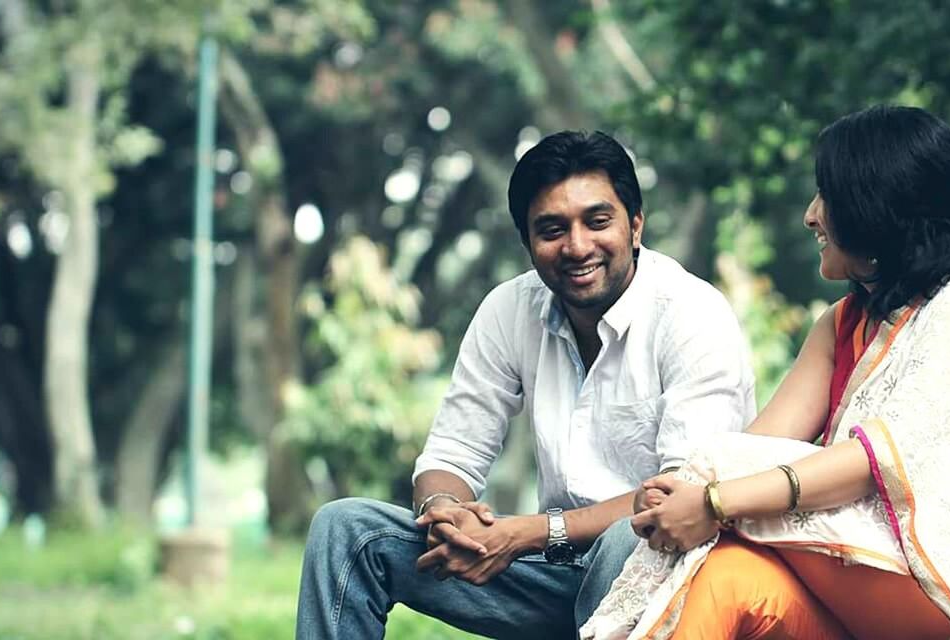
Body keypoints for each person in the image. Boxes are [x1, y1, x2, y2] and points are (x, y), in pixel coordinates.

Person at [582, 106, 950, 640]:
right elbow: (752, 448)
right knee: (723, 578)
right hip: (857, 595)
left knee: (718, 486)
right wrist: (682, 492)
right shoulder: (842, 323)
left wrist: (714, 502)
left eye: (825, 197)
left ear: (874, 206)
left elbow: (871, 461)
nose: (811, 216)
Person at [295, 130, 757, 639]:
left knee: (627, 540)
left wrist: (528, 534)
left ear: (636, 226)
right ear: (528, 243)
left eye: (598, 221)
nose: (577, 246)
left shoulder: (692, 314)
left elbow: (679, 502)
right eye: (552, 229)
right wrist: (445, 512)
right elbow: (451, 455)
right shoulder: (509, 310)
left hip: (669, 575)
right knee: (347, 530)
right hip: (548, 574)